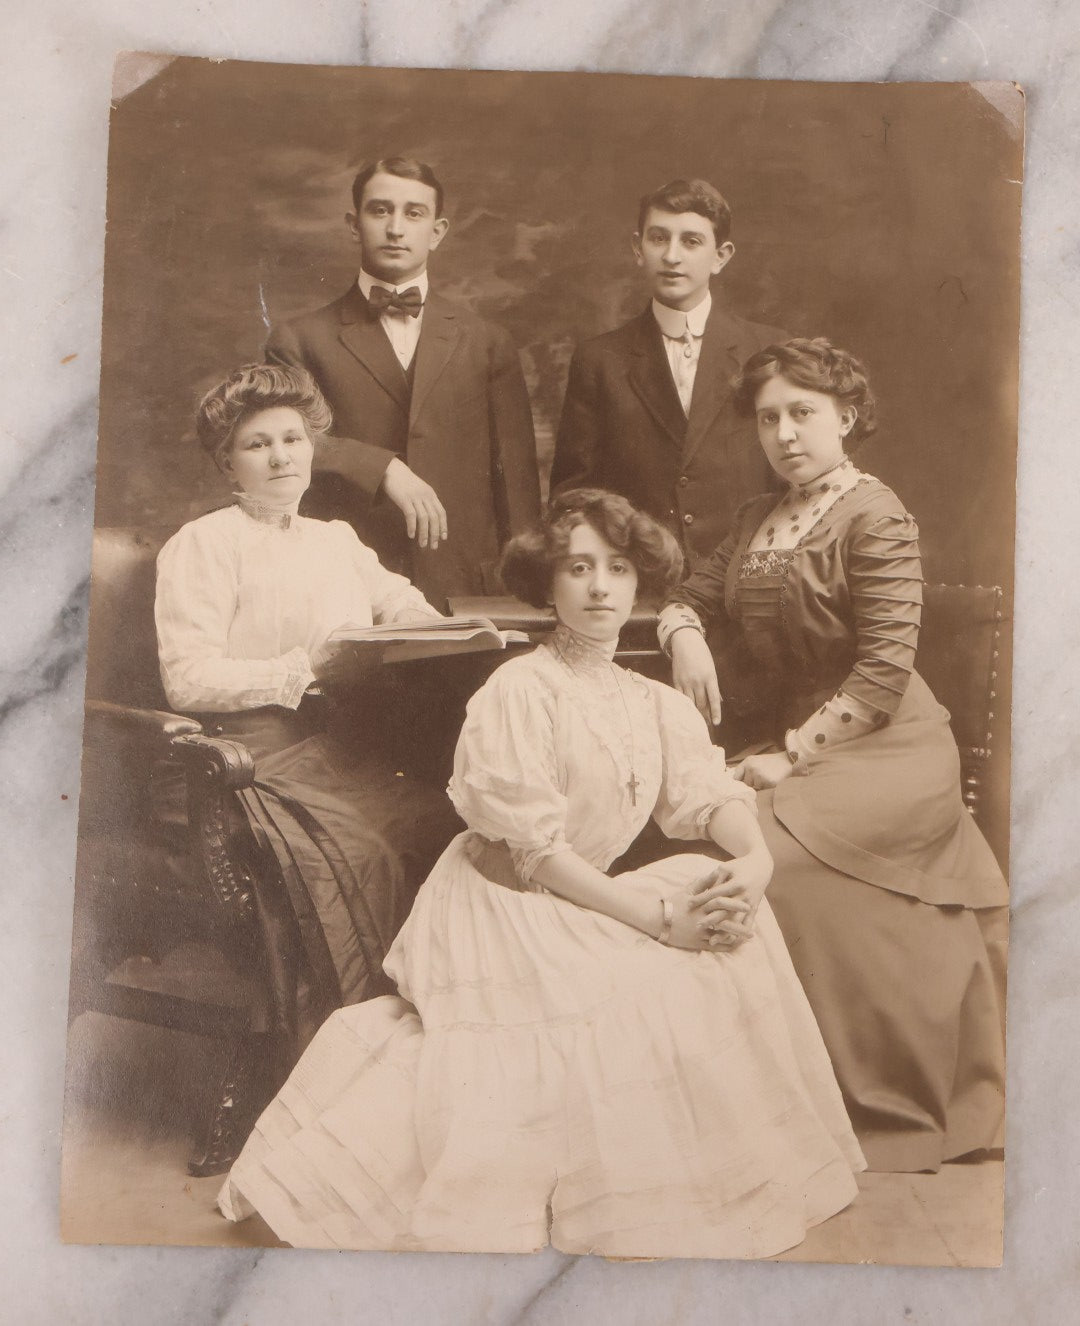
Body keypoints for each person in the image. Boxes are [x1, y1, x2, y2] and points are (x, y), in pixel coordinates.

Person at [217, 488, 865, 1259]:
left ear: (639, 581)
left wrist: (753, 862)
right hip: (505, 899)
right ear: (548, 585)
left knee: (728, 918)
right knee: (621, 1000)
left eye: (618, 568)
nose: (600, 587)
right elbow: (532, 853)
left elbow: (704, 797)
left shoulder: (651, 700)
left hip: (581, 888)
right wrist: (658, 922)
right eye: (579, 568)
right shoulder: (518, 690)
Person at [659, 338, 1009, 1173]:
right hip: (791, 746)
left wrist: (791, 753)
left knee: (773, 862)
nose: (783, 433)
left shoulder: (875, 514)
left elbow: (885, 672)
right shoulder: (753, 516)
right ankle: (754, 1095)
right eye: (769, 417)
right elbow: (686, 595)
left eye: (803, 413)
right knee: (717, 850)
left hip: (885, 746)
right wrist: (683, 637)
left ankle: (854, 1094)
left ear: (845, 417)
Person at [155, 363, 463, 1066]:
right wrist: (305, 666)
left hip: (330, 755)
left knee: (443, 824)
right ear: (226, 461)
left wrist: (438, 628)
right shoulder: (204, 545)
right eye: (258, 443)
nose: (281, 456)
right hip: (242, 764)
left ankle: (434, 1044)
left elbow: (400, 604)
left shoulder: (335, 541)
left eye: (292, 438)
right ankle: (341, 1060)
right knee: (364, 855)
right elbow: (187, 678)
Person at [266, 155, 541, 607]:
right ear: (355, 224)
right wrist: (385, 467)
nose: (396, 228)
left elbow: (517, 487)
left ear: (437, 231)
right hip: (346, 579)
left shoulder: (487, 341)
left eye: (414, 213)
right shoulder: (299, 339)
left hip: (466, 583)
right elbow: (289, 443)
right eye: (380, 211)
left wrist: (525, 586)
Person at [551, 178, 787, 568]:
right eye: (659, 239)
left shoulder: (767, 352)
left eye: (691, 242)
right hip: (642, 578)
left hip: (745, 578)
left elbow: (793, 474)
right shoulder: (600, 359)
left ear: (721, 256)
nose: (672, 256)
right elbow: (575, 492)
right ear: (637, 248)